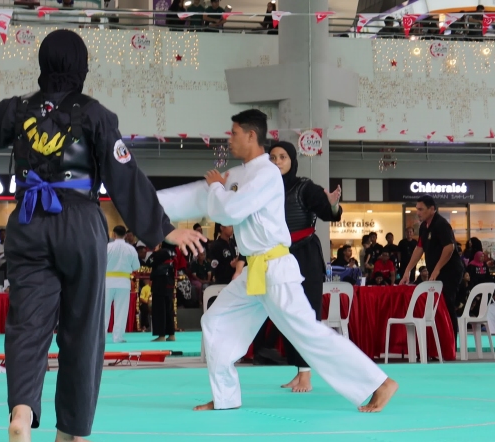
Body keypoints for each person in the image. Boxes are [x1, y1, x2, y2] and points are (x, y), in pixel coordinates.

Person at [0, 30, 204, 442]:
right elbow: (125, 176)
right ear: (82, 67)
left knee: (27, 328)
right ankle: (69, 435)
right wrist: (162, 231)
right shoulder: (97, 116)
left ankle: (21, 416)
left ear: (43, 65)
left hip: (28, 222)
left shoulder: (17, 110)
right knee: (82, 331)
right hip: (80, 223)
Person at [156, 109, 398, 414]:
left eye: (233, 133)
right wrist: (144, 204)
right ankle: (226, 398)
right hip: (255, 273)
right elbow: (195, 197)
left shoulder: (267, 173)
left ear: (251, 135)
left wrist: (218, 187)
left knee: (307, 333)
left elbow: (228, 212)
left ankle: (378, 382)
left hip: (274, 269)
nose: (229, 139)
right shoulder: (238, 175)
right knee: (215, 322)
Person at [266, 141, 342, 392]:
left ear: (292, 161)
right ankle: (299, 371)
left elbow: (329, 214)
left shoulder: (305, 187)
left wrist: (331, 203)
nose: (277, 162)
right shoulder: (264, 190)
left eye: (282, 157)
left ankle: (307, 374)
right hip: (279, 256)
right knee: (286, 315)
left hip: (306, 255)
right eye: (273, 157)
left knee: (307, 314)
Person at [400, 195, 465, 334]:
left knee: (446, 304)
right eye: (417, 209)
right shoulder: (424, 226)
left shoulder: (441, 224)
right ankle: (439, 344)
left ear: (432, 209)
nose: (418, 212)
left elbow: (449, 248)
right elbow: (419, 248)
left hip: (450, 270)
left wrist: (436, 270)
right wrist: (407, 270)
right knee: (435, 306)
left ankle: (451, 343)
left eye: (421, 209)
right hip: (437, 270)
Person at [104, 226, 140, 344]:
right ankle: (117, 337)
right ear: (125, 235)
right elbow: (136, 267)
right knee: (121, 310)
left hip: (107, 282)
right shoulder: (130, 249)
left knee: (104, 310)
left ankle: (101, 337)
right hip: (123, 282)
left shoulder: (107, 247)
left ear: (113, 234)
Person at [148, 243, 176, 342]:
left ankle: (161, 335)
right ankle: (171, 334)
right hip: (169, 283)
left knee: (160, 310)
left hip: (160, 283)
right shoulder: (171, 252)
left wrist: (154, 252)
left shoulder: (160, 253)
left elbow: (149, 262)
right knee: (168, 309)